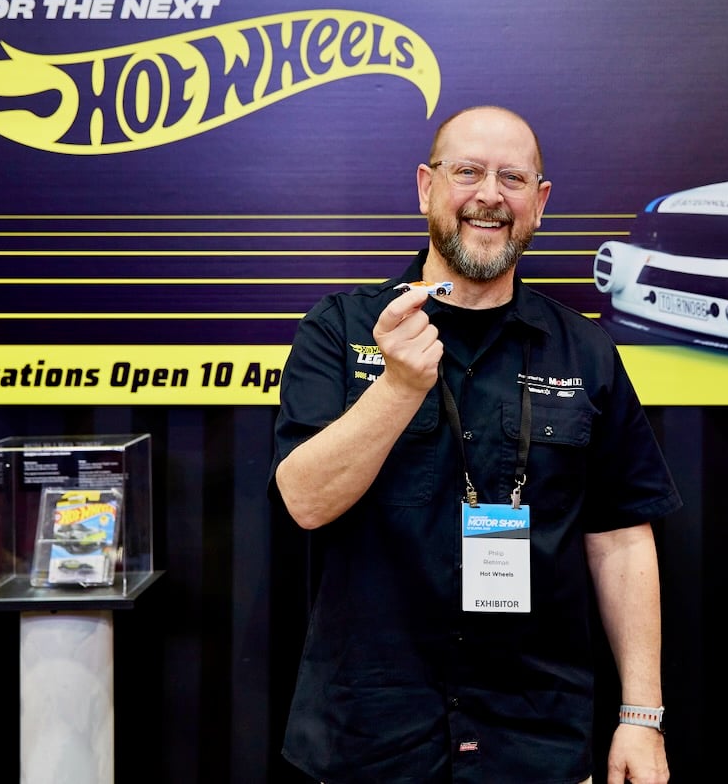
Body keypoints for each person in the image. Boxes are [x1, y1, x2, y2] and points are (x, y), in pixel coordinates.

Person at [271, 105, 681, 784]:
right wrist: (398, 387)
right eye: (467, 172)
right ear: (426, 187)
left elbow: (620, 538)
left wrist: (642, 716)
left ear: (539, 204)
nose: (489, 195)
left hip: (536, 737)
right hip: (371, 738)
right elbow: (306, 502)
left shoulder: (585, 350)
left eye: (512, 178)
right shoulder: (341, 329)